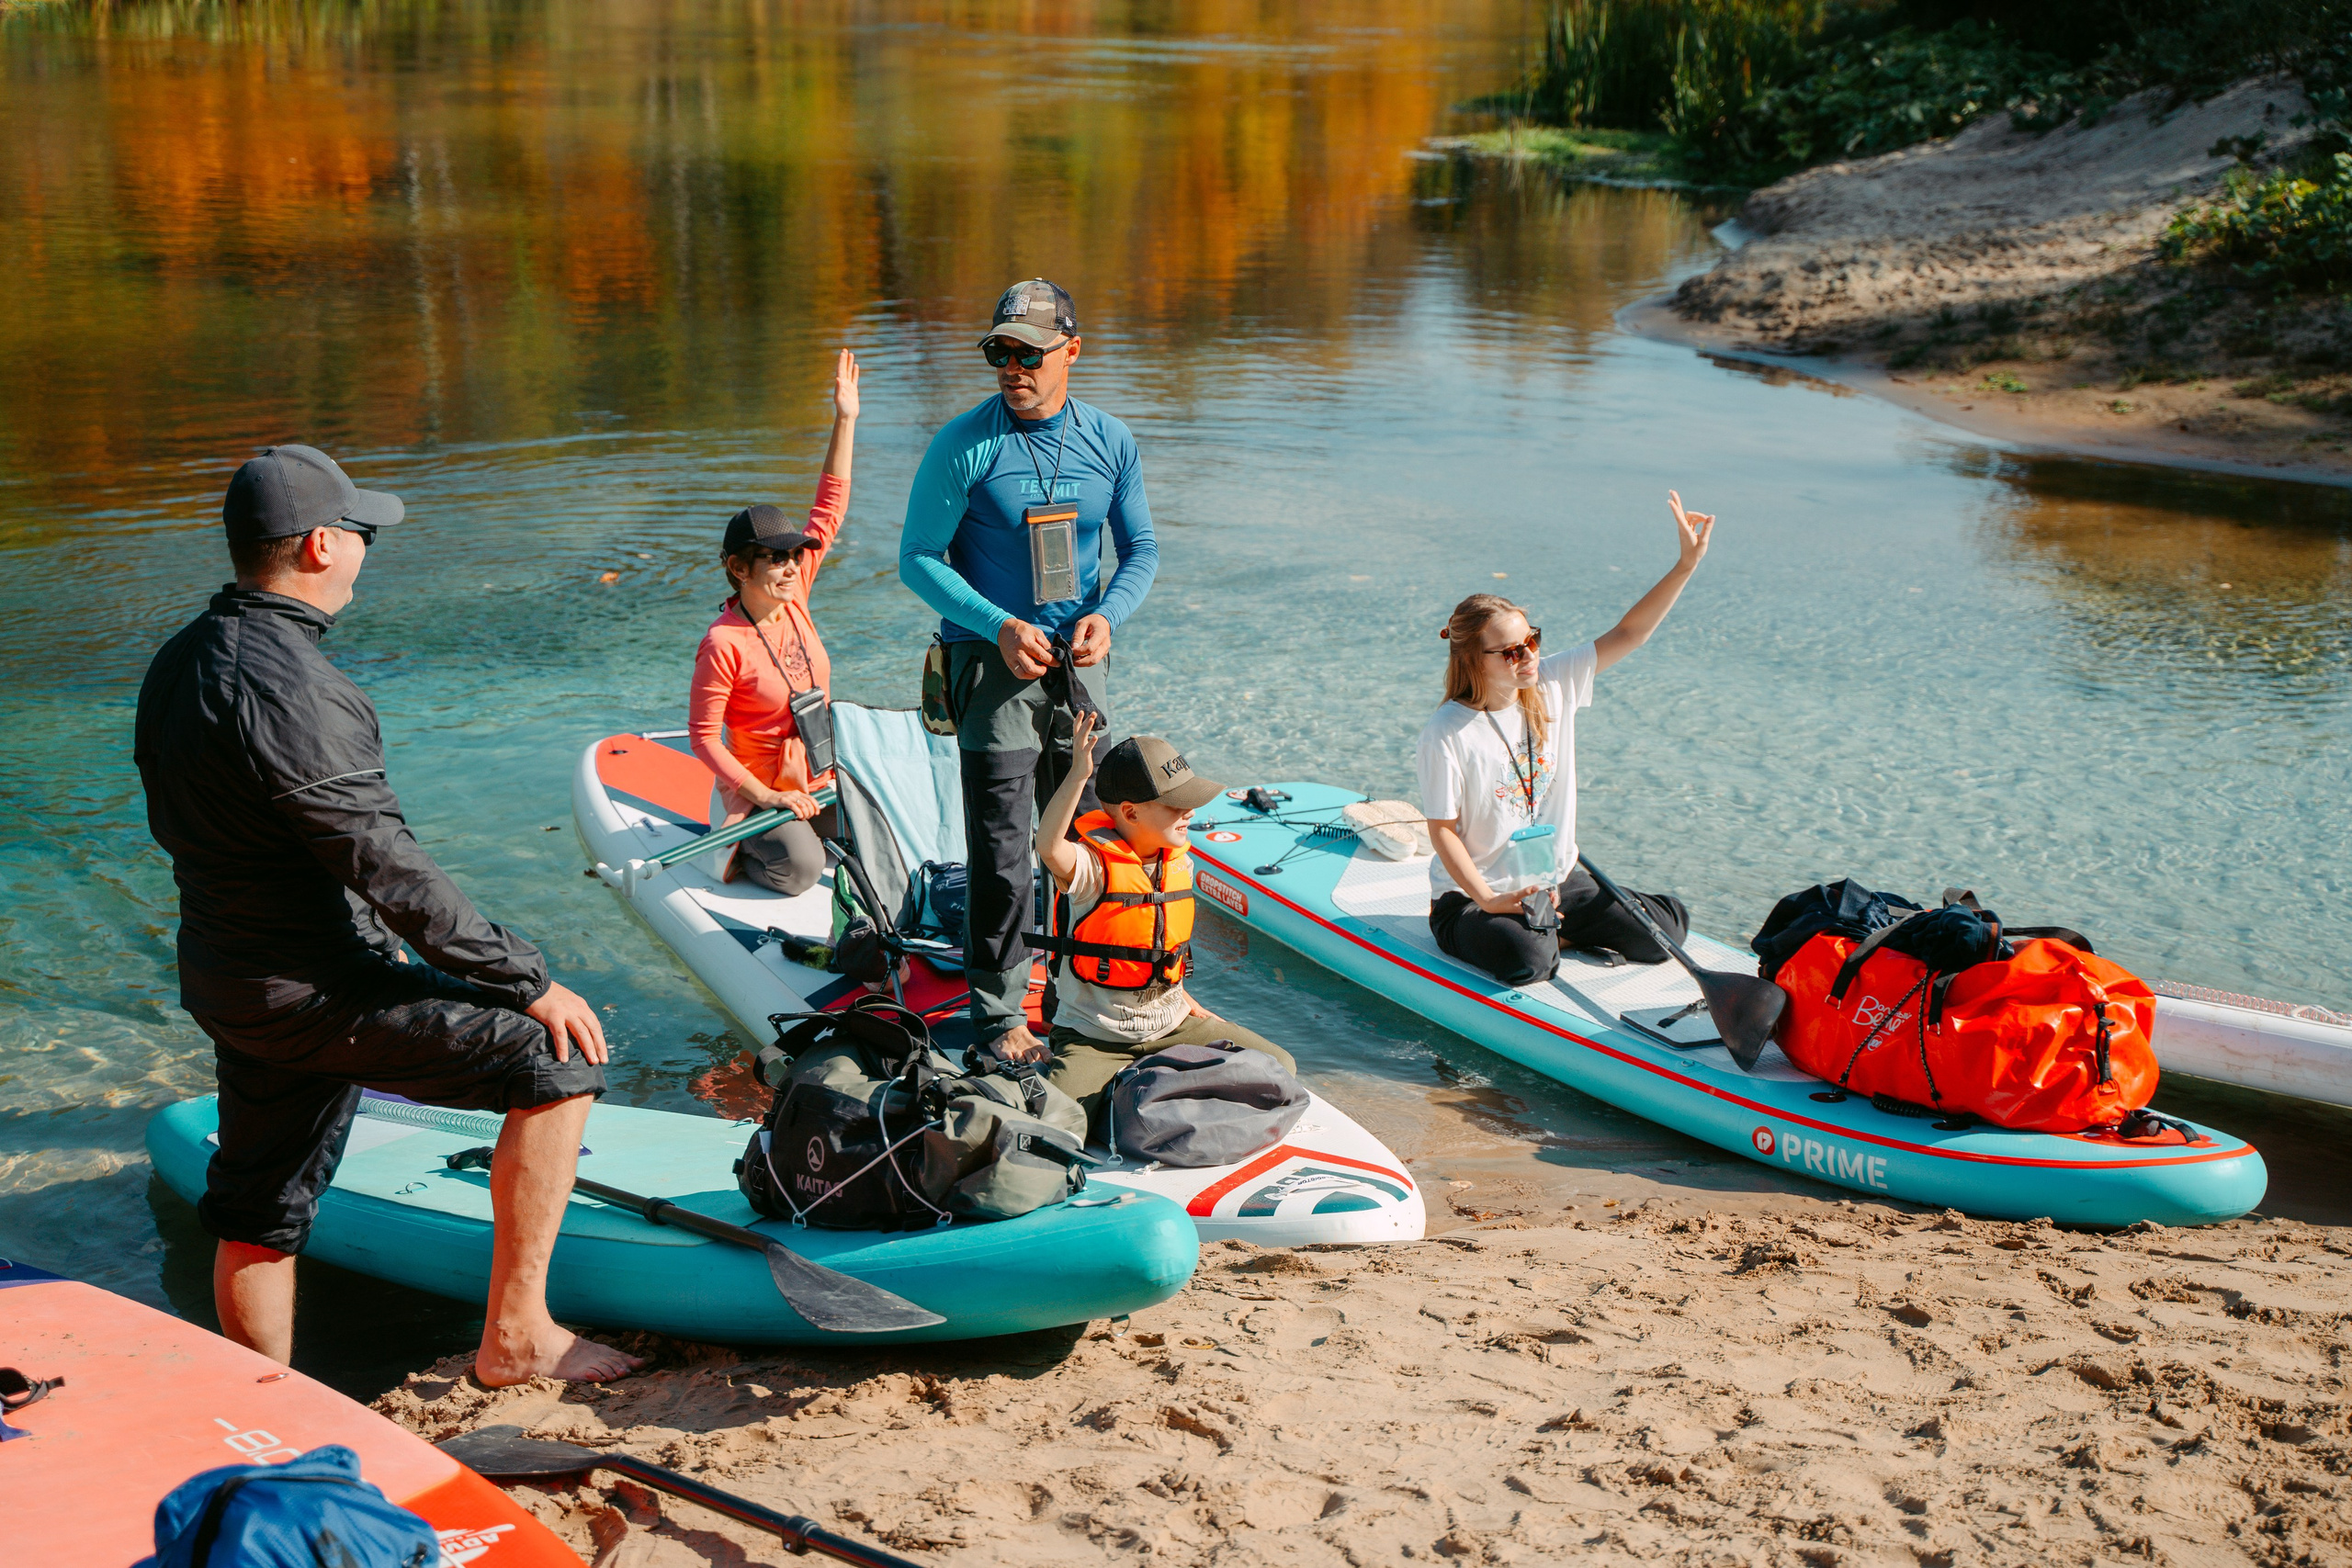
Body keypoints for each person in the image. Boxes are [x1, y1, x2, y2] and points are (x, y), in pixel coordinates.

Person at [134, 443, 639, 1387]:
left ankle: (263, 1409)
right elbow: (384, 864)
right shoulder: (296, 687)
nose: (368, 545)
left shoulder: (181, 658)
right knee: (554, 1059)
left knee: (258, 1209)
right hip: (315, 990)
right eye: (360, 530)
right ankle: (519, 1335)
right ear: (320, 546)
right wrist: (523, 976)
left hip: (227, 976)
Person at [899, 278, 1158, 1063]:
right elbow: (916, 558)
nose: (1012, 367)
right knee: (1006, 847)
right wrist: (998, 624)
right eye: (999, 352)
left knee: (1090, 834)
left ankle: (1094, 985)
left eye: (1029, 353)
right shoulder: (964, 444)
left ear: (1071, 351)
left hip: (1079, 665)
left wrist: (1108, 615)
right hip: (994, 661)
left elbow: (1140, 550)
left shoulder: (1110, 441)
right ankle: (996, 1010)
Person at [1419, 491, 1717, 988]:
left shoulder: (1554, 684)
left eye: (1531, 640)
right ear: (1474, 659)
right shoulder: (1447, 732)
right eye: (1510, 652)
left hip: (1558, 880)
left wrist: (1685, 565)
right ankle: (1541, 933)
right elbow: (1443, 830)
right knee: (1531, 963)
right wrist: (1490, 900)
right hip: (1477, 896)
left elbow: (1631, 631)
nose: (1528, 656)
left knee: (1663, 935)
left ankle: (1564, 923)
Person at [1033, 710, 1296, 1117]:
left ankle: (1145, 1091)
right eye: (1176, 804)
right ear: (1131, 812)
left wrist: (1184, 998)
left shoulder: (1180, 864)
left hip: (1173, 1024)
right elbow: (1049, 846)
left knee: (1281, 1067)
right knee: (1061, 1123)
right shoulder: (1091, 870)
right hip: (1094, 1038)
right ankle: (1128, 1093)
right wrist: (1077, 776)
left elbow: (1162, 946)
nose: (1189, 812)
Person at [690, 349, 861, 895]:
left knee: (880, 836)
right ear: (739, 569)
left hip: (820, 778)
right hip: (764, 790)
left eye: (794, 557)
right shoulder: (722, 643)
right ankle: (738, 844)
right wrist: (767, 799)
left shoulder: (797, 593)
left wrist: (845, 419)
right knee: (803, 873)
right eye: (775, 559)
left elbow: (828, 509)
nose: (791, 568)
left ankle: (806, 831)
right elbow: (702, 739)